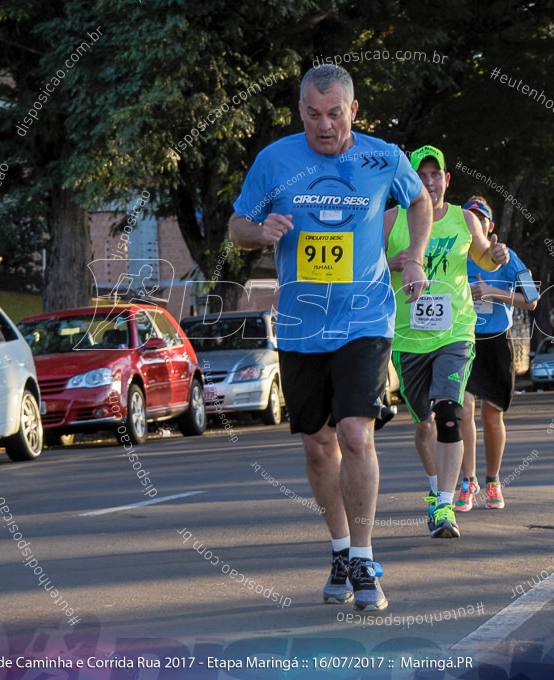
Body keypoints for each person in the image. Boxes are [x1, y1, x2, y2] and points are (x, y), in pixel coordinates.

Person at [228, 65, 433, 611]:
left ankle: (364, 560)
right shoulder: (275, 160)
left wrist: (413, 256)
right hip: (300, 325)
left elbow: (418, 201)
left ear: (353, 110)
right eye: (314, 115)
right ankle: (340, 550)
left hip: (365, 318)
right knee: (319, 446)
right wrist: (260, 232)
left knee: (354, 435)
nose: (325, 126)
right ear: (301, 112)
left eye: (335, 114)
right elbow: (238, 226)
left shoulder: (383, 156)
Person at [384, 146, 508, 539]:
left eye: (435, 174)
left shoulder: (465, 218)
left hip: (455, 332)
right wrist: (393, 264)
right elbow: (361, 263)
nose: (429, 181)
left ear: (446, 179)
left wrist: (497, 255)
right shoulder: (391, 219)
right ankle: (436, 485)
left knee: (451, 412)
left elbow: (485, 258)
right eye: (420, 175)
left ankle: (443, 506)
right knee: (425, 426)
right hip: (408, 337)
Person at [457, 196, 537, 512]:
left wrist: (493, 292)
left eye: (482, 218)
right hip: (461, 340)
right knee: (462, 408)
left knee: (492, 416)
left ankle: (492, 481)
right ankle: (467, 481)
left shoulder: (507, 257)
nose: (476, 222)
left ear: (491, 227)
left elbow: (531, 299)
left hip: (495, 341)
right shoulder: (454, 253)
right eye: (470, 217)